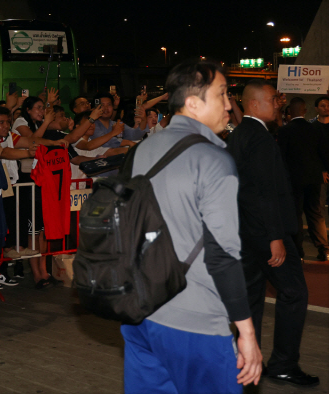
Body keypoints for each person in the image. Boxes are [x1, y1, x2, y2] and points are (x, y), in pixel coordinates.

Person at [120, 60, 262, 393]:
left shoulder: (144, 148)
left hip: (141, 313)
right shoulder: (214, 159)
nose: (229, 104)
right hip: (194, 323)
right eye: (223, 94)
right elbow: (222, 255)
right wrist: (247, 333)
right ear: (193, 102)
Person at [226, 79, 317, 386]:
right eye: (271, 100)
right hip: (266, 234)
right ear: (254, 104)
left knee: (251, 298)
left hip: (245, 234)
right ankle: (284, 363)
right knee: (294, 292)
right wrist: (275, 238)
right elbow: (264, 192)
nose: (277, 104)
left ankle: (246, 361)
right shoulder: (260, 139)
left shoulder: (239, 135)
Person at [277, 97, 329, 261]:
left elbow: (281, 157)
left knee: (296, 214)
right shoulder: (314, 129)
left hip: (295, 178)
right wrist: (323, 171)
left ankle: (298, 251)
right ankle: (324, 249)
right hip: (314, 177)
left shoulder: (285, 131)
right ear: (305, 111)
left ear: (290, 113)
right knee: (315, 213)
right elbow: (322, 153)